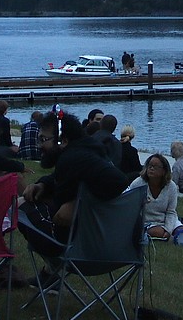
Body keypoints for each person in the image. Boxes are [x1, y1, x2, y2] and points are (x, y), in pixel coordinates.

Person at [19, 109, 130, 257]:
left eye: (43, 140)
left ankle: (53, 270)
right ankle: (49, 272)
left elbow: (120, 180)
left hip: (79, 246)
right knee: (29, 201)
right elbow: (62, 176)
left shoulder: (73, 158)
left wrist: (78, 203)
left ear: (63, 141)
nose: (39, 146)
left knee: (21, 207)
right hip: (105, 241)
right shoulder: (85, 151)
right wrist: (42, 184)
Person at [128, 153, 180, 240]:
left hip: (165, 220)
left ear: (164, 171)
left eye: (155, 167)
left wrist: (168, 230)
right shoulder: (138, 184)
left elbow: (171, 212)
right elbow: (130, 208)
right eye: (150, 166)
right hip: (146, 222)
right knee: (156, 232)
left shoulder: (171, 187)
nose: (151, 168)